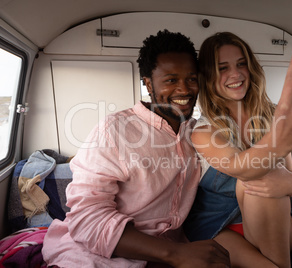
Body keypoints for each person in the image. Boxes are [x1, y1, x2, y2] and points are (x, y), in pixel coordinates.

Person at [42, 29, 231, 268]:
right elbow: (87, 219)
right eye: (171, 80)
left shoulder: (199, 133)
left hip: (177, 249)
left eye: (192, 79)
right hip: (100, 253)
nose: (184, 89)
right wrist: (175, 254)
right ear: (149, 84)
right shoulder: (114, 131)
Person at [183, 32, 292, 268]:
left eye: (241, 64)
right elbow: (240, 167)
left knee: (267, 174)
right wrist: (285, 138)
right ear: (208, 76)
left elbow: (291, 176)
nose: (235, 74)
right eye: (222, 68)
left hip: (272, 220)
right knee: (256, 171)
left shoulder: (272, 116)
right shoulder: (203, 130)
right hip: (219, 226)